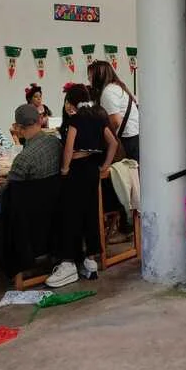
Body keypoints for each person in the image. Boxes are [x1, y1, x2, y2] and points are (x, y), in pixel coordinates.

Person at [48, 86, 118, 288]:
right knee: (90, 213)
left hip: (77, 170)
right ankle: (90, 260)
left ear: (71, 102)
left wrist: (64, 169)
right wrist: (105, 166)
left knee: (71, 214)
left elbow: (69, 147)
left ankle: (68, 261)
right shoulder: (98, 117)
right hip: (92, 169)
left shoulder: (75, 120)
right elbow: (113, 143)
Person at [0, 104, 61, 242]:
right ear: (40, 120)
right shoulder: (55, 143)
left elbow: (8, 192)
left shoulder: (24, 158)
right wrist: (8, 181)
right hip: (47, 206)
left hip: (20, 210)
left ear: (19, 128)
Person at [89, 60, 140, 161]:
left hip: (126, 141)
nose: (89, 79)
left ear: (99, 77)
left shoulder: (108, 92)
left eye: (90, 76)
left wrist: (104, 138)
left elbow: (115, 121)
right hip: (132, 137)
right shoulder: (116, 87)